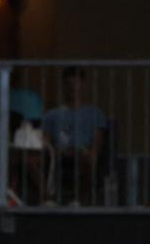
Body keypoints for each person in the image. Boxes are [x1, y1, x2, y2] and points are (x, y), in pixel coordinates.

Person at [42, 67, 109, 205]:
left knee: (91, 159)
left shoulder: (95, 114)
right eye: (68, 84)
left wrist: (82, 151)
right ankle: (48, 198)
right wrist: (55, 151)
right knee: (30, 160)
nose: (72, 88)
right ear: (63, 86)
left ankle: (78, 200)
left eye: (76, 84)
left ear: (83, 85)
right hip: (57, 155)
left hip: (82, 153)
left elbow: (97, 143)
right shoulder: (51, 115)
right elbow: (45, 141)